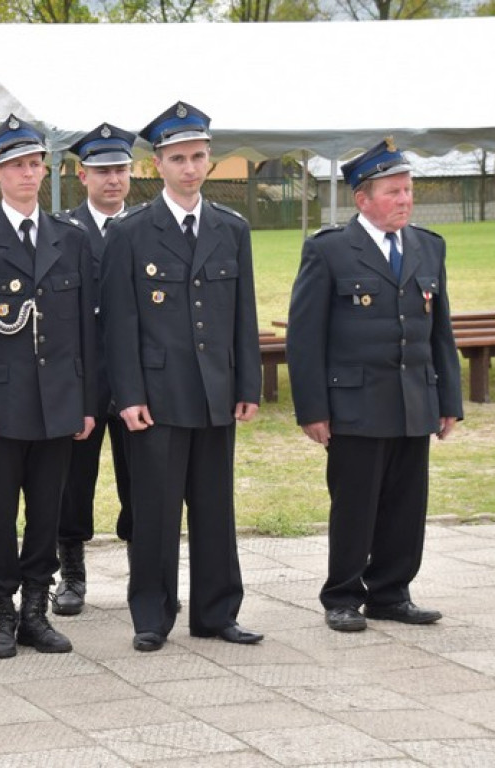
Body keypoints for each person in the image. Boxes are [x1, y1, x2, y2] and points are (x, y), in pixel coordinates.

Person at [101, 101, 262, 652]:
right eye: (177, 158)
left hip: (217, 390)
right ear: (157, 165)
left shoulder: (230, 228)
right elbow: (119, 324)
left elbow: (244, 312)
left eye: (197, 157)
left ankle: (218, 613)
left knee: (217, 507)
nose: (189, 167)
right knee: (155, 511)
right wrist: (127, 395)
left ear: (209, 161)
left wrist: (248, 385)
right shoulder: (131, 232)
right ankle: (151, 615)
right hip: (158, 394)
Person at [286, 138, 463, 633]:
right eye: (393, 192)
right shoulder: (331, 251)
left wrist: (447, 399)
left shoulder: (429, 246)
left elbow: (440, 332)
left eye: (408, 190)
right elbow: (305, 338)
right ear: (363, 199)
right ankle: (342, 595)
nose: (404, 200)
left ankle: (391, 592)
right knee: (356, 505)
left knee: (407, 504)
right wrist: (312, 410)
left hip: (413, 400)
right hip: (355, 404)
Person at [0, 114, 97, 659]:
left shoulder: (70, 239)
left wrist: (84, 402)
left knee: (47, 512)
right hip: (2, 402)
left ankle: (37, 608)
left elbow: (85, 331)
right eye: (15, 166)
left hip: (58, 400)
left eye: (35, 164)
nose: (28, 174)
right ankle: (0, 611)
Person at [54, 122, 136, 616]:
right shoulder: (63, 232)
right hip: (80, 380)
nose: (113, 180)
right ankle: (71, 574)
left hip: (134, 381)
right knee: (71, 486)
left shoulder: (146, 227)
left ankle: (142, 568)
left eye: (121, 170)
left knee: (142, 483)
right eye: (102, 171)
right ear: (81, 174)